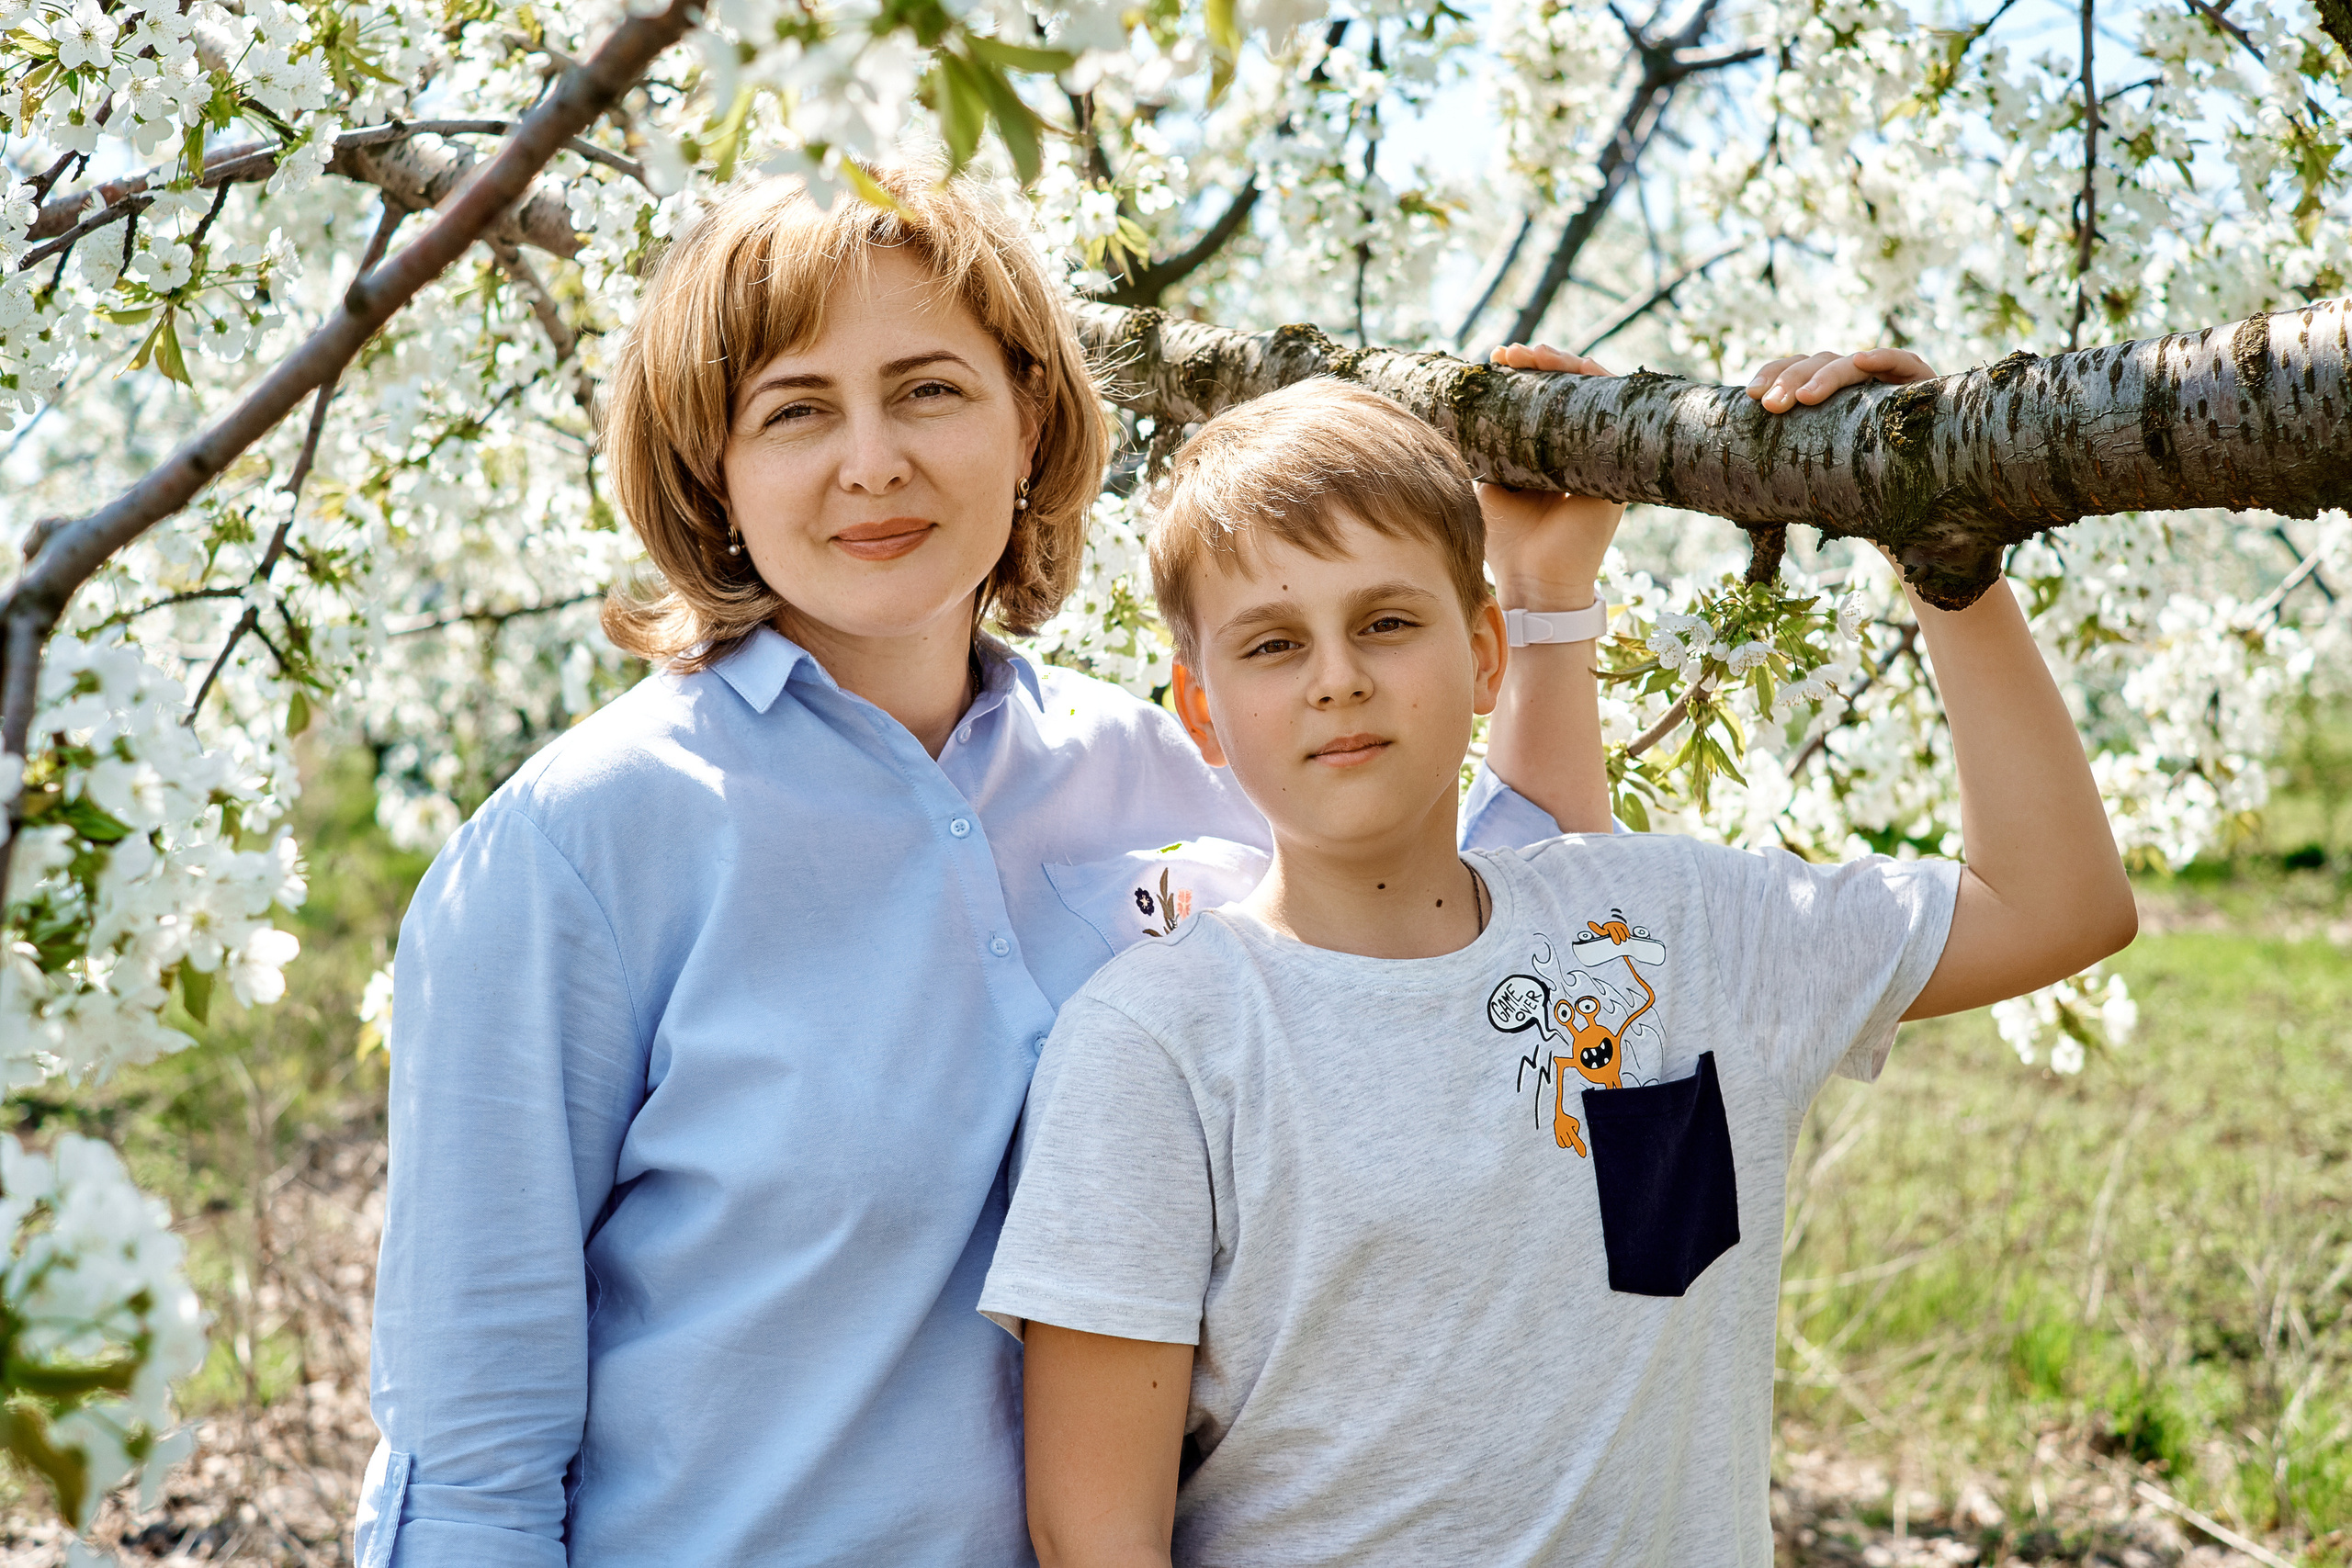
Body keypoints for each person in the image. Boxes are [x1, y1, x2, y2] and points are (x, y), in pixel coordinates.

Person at [352, 164, 1628, 1566]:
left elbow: (1536, 918)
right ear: (710, 467)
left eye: (928, 390)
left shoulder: (1161, 768)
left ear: (1030, 419)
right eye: (795, 411)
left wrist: (1550, 592)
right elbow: (472, 1463)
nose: (872, 462)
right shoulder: (574, 854)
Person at [979, 367, 2140, 1567]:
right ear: (1202, 709)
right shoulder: (1159, 1043)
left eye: (1386, 621)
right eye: (1272, 645)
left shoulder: (1672, 930)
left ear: (1486, 654)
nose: (1337, 677)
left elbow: (2057, 905)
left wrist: (1940, 544)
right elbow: (1094, 1534)